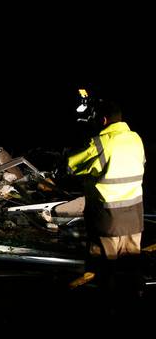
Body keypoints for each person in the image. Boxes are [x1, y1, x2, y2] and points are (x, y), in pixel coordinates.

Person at [67, 100, 145, 307]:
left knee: (103, 268)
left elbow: (73, 166)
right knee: (131, 265)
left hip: (107, 218)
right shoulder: (136, 139)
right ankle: (136, 302)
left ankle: (105, 309)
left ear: (102, 120)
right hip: (135, 216)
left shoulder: (101, 143)